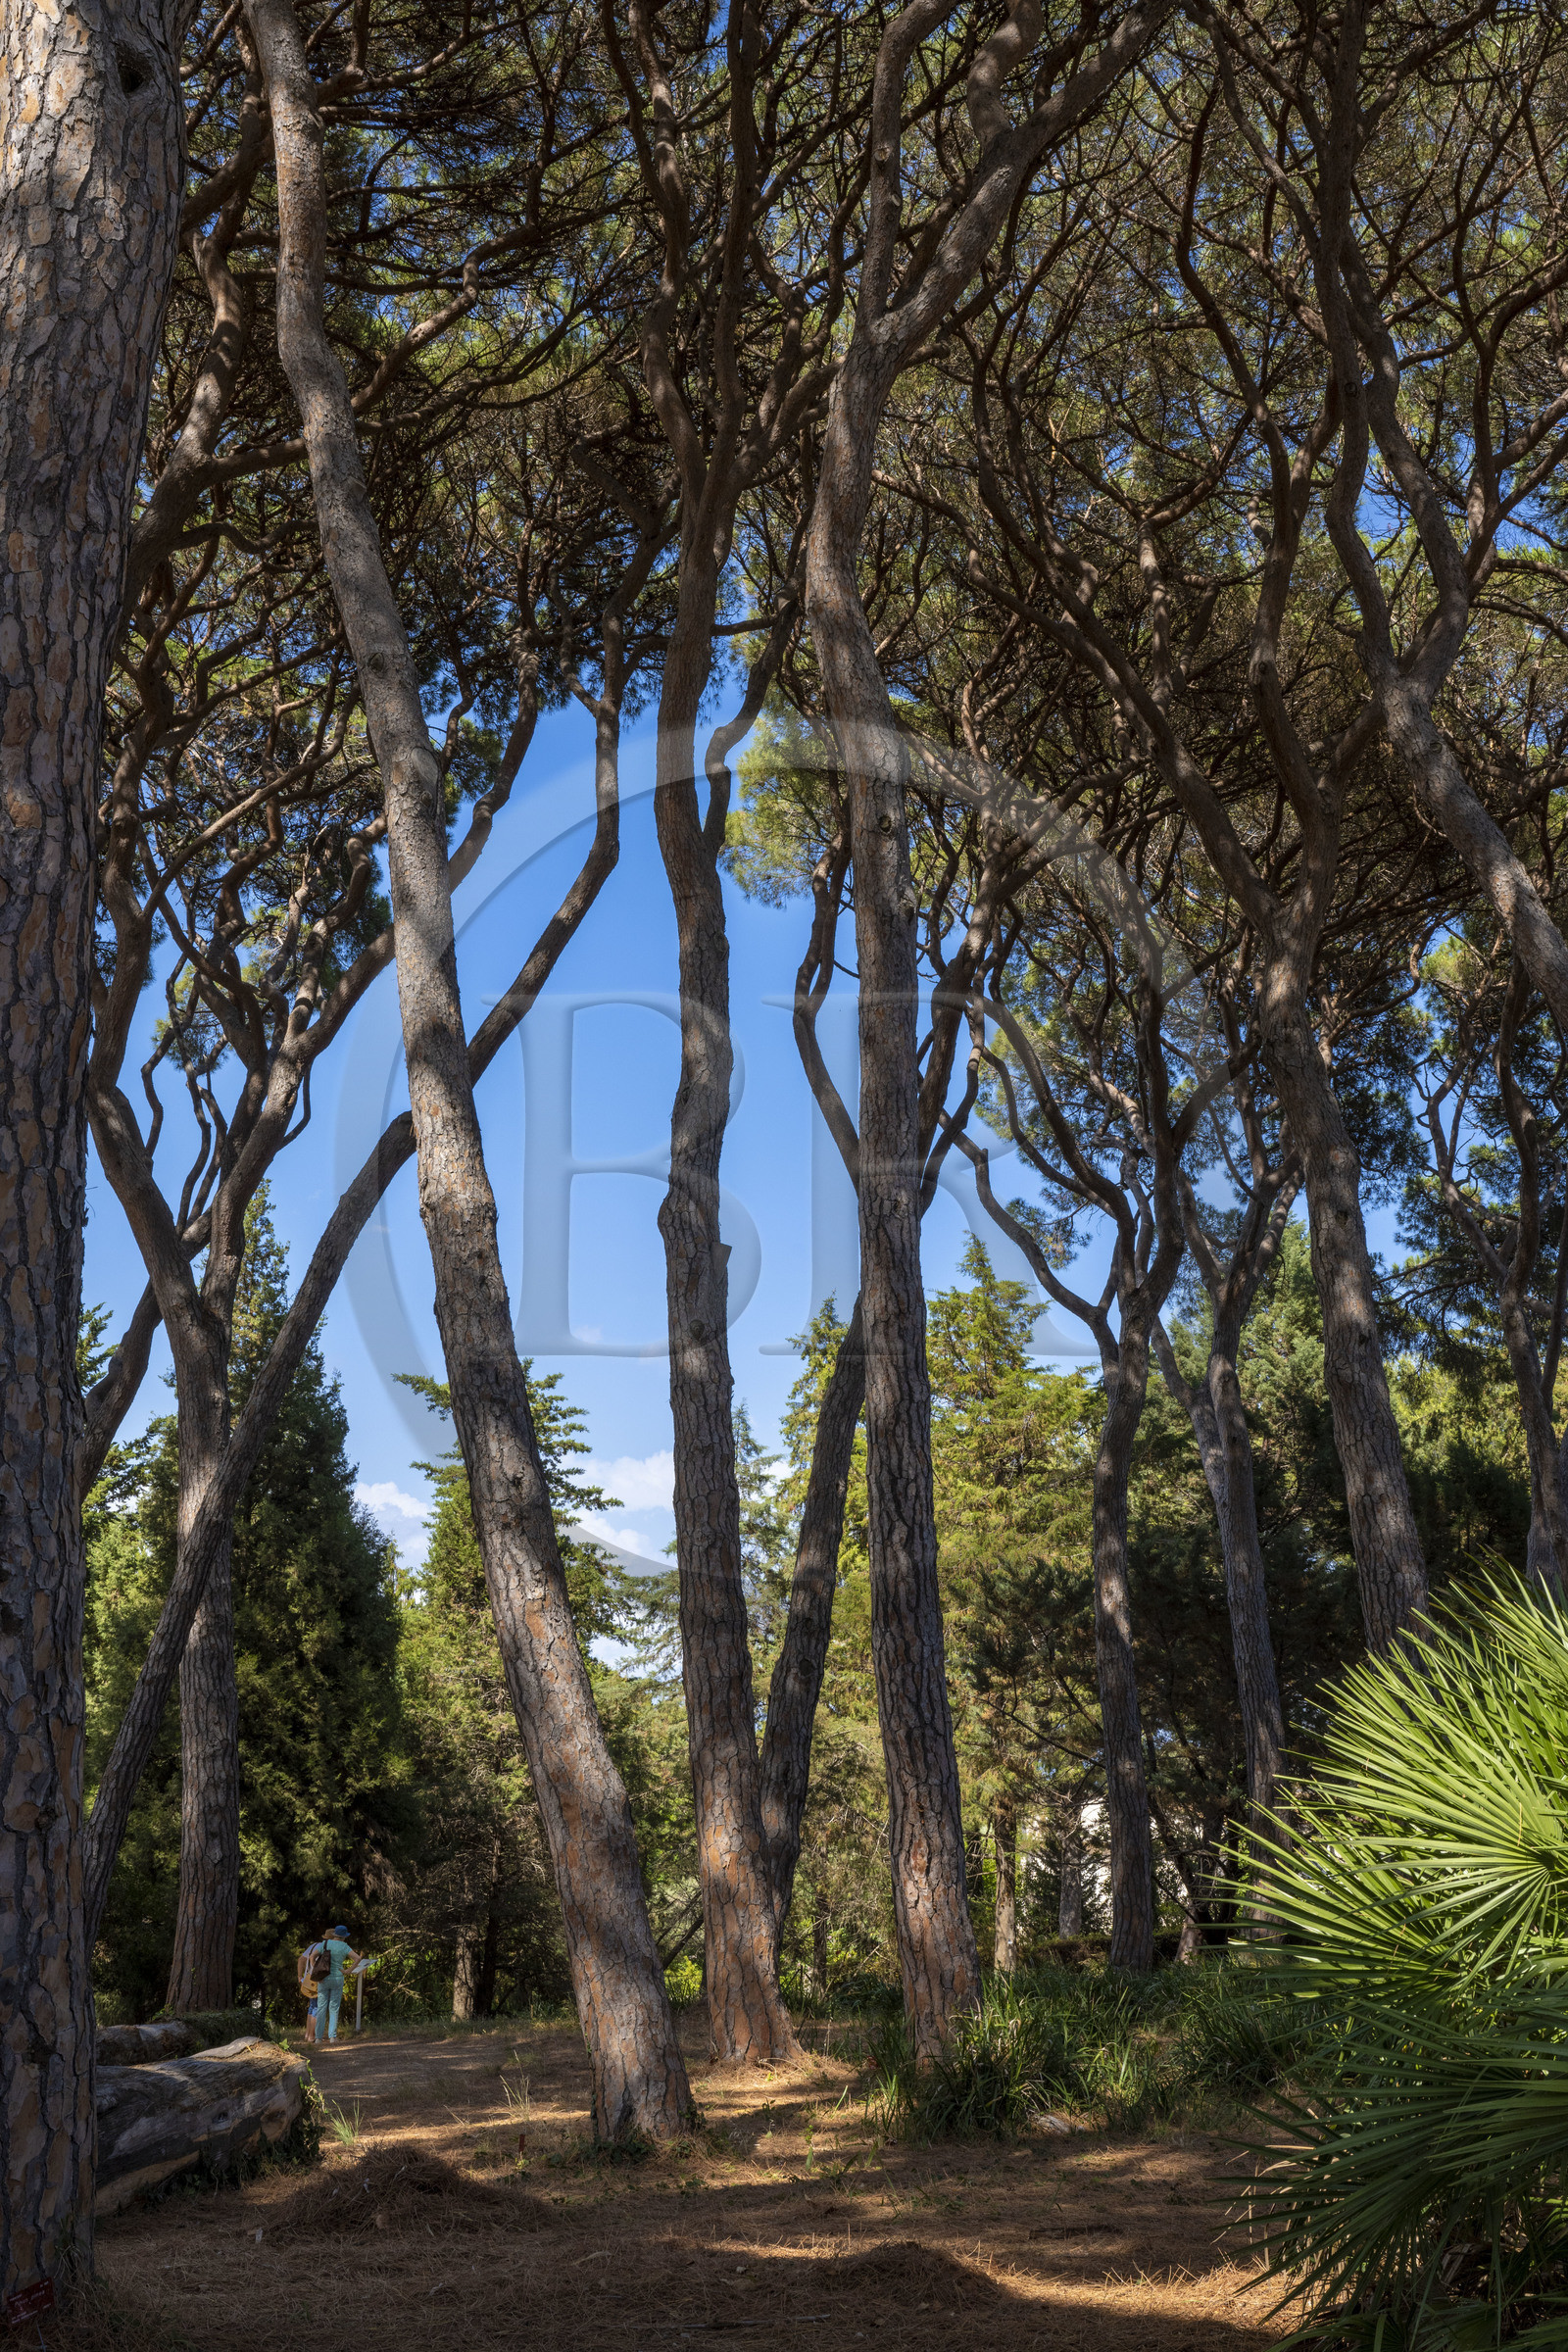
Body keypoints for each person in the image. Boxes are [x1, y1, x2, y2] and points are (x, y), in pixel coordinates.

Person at [316, 1924, 363, 2046]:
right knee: (334, 2008)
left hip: (323, 1979)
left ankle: (318, 2038)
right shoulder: (345, 1947)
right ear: (344, 1936)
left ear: (335, 1935)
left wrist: (314, 1973)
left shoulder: (325, 1944)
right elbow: (357, 1959)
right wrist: (348, 1971)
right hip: (337, 1978)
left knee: (321, 2008)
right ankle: (332, 2037)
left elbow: (311, 1957)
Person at [297, 1936, 327, 2044]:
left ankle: (307, 2035)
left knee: (312, 2007)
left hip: (307, 1979)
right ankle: (312, 2036)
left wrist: (300, 1976)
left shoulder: (313, 1945)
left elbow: (301, 1959)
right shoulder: (325, 1947)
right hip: (316, 1980)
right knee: (317, 2008)